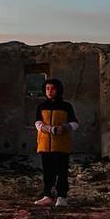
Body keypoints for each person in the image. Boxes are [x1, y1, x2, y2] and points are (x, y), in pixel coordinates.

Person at [33, 78, 78, 207]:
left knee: (62, 171)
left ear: (58, 90)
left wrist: (65, 127)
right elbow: (37, 123)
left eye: (52, 88)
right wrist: (48, 129)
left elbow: (75, 123)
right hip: (45, 144)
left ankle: (62, 197)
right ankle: (47, 195)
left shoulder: (66, 106)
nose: (50, 91)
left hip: (61, 145)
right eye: (47, 88)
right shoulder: (41, 106)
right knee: (47, 171)